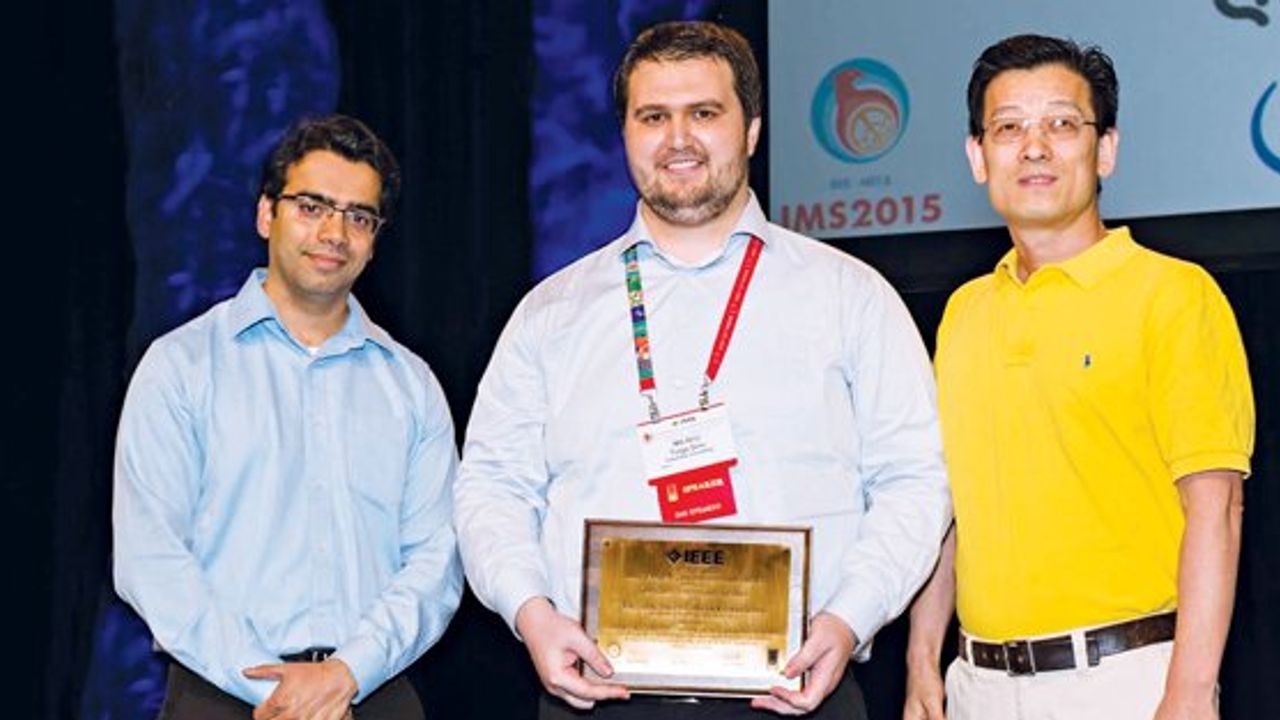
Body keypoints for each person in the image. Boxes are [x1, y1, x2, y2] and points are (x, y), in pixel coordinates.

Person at [455, 21, 950, 719]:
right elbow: (493, 485)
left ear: (751, 131)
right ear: (625, 134)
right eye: (653, 116)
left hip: (796, 691)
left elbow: (914, 478)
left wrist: (849, 619)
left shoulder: (851, 297)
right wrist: (531, 613)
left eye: (704, 113)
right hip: (598, 694)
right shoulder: (551, 313)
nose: (678, 139)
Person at [902, 34, 1254, 720]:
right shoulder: (964, 313)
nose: (1034, 148)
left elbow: (1217, 508)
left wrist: (1189, 691)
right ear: (978, 156)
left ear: (1106, 150)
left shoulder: (1173, 295)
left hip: (1125, 682)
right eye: (1009, 128)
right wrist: (922, 664)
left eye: (1062, 124)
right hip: (976, 685)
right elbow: (946, 508)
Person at [113, 114, 463, 720]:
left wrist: (348, 672)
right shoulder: (181, 366)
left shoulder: (411, 385)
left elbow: (439, 557)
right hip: (220, 694)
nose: (335, 232)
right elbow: (151, 557)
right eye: (312, 206)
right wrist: (274, 688)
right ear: (265, 214)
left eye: (359, 217)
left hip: (371, 694)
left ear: (375, 239)